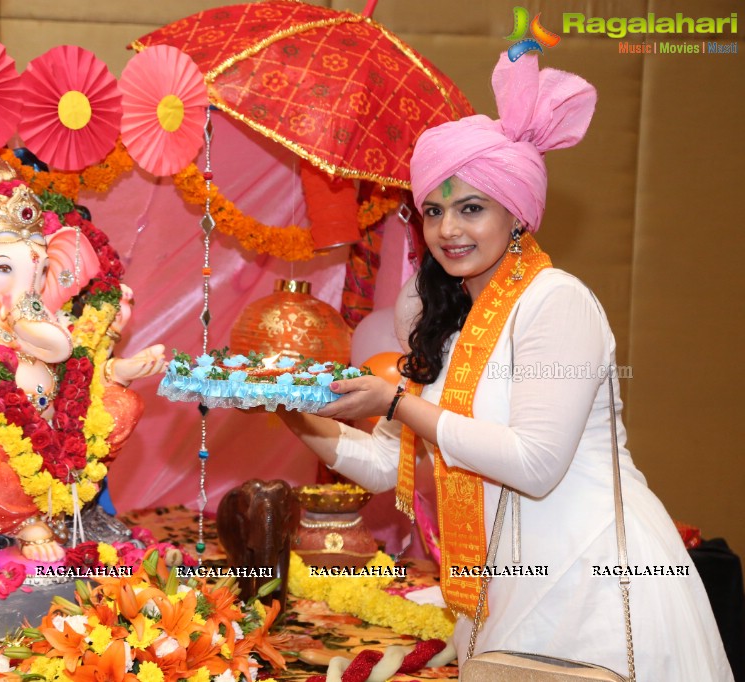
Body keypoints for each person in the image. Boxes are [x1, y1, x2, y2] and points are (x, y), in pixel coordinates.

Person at [277, 53, 732, 679]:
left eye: (471, 207)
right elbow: (387, 465)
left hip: (596, 589)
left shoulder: (556, 302)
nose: (448, 230)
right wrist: (291, 413)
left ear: (516, 211)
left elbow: (536, 464)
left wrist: (395, 403)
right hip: (505, 588)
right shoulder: (442, 322)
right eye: (433, 211)